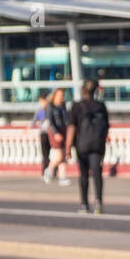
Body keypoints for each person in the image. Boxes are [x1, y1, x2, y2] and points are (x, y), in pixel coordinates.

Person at [66, 79, 110, 214]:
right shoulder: (101, 106)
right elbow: (107, 127)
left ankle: (84, 204)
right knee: (97, 174)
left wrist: (68, 147)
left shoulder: (77, 106)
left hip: (82, 145)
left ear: (83, 90)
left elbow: (71, 127)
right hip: (97, 145)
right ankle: (98, 202)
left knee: (83, 175)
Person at [45, 87, 71, 185]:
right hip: (55, 131)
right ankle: (49, 169)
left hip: (63, 130)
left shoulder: (63, 106)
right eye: (59, 95)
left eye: (62, 95)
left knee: (64, 155)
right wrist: (55, 133)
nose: (61, 97)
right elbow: (50, 121)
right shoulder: (50, 106)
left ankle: (62, 177)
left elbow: (67, 119)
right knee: (59, 155)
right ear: (54, 96)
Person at [30, 92, 51, 177]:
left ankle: (52, 169)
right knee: (45, 154)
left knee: (54, 154)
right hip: (43, 134)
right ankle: (45, 170)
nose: (41, 103)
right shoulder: (40, 111)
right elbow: (33, 121)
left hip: (51, 134)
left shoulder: (50, 109)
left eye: (42, 101)